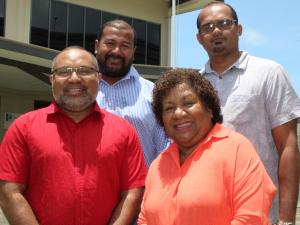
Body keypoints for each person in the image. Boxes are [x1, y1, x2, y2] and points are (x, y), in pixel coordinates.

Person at [0, 46, 147, 225]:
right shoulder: (23, 128)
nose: (74, 78)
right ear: (52, 79)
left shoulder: (124, 131)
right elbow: (9, 190)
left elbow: (134, 192)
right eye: (64, 72)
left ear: (99, 79)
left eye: (85, 71)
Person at [196, 2, 300, 224]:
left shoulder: (268, 73)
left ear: (239, 29)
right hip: (207, 212)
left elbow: (288, 147)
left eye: (224, 23)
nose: (216, 31)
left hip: (261, 211)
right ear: (199, 38)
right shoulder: (195, 84)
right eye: (207, 27)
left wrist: (287, 219)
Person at [138, 68, 276, 225]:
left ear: (209, 109)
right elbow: (145, 219)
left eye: (188, 103)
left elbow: (251, 219)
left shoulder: (237, 150)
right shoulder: (158, 165)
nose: (178, 113)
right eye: (169, 108)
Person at [94, 20, 169, 167]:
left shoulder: (154, 94)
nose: (116, 51)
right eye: (110, 43)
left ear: (133, 52)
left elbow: (165, 148)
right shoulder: (79, 90)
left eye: (125, 46)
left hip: (143, 188)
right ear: (96, 46)